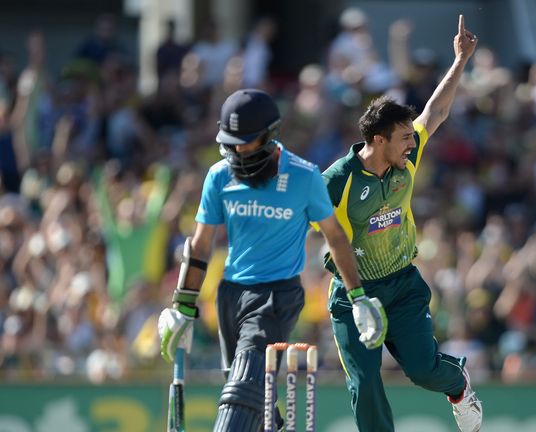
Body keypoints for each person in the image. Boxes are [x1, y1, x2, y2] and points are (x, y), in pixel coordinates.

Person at [157, 88, 387, 430]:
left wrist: (358, 297)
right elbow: (201, 245)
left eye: (245, 142)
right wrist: (183, 307)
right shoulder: (220, 176)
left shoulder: (304, 176)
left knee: (239, 396)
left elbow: (335, 237)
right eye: (231, 141)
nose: (237, 149)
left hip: (276, 296)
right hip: (231, 295)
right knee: (250, 394)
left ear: (269, 135)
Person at [320, 14, 481, 432]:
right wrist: (356, 296)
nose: (413, 143)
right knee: (365, 381)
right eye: (404, 137)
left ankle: (459, 384)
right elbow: (319, 231)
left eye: (413, 137)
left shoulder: (405, 162)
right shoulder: (338, 180)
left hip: (402, 284)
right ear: (377, 140)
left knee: (424, 370)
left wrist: (460, 60)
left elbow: (437, 111)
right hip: (355, 294)